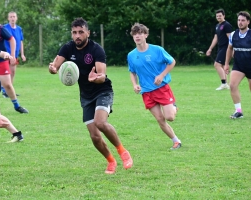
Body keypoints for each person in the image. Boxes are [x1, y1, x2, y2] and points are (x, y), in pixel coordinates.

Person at [49, 17, 133, 174]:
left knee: (100, 123)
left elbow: (102, 75)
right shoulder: (67, 48)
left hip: (102, 90)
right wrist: (52, 69)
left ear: (87, 32)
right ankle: (111, 161)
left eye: (81, 32)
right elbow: (55, 66)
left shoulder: (96, 49)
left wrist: (96, 78)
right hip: (86, 95)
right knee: (94, 136)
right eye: (74, 33)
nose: (77, 36)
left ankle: (123, 152)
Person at [127, 23, 182, 150]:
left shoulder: (157, 50)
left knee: (170, 117)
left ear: (146, 35)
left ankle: (173, 107)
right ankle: (176, 141)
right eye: (135, 34)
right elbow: (132, 72)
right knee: (160, 119)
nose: (137, 36)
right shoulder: (131, 55)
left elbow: (172, 62)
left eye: (140, 33)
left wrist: (162, 75)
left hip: (162, 88)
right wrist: (135, 85)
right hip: (146, 92)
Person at [224, 11, 251, 119]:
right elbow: (229, 49)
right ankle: (238, 111)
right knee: (232, 85)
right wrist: (226, 64)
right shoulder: (234, 34)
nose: (240, 22)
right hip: (239, 66)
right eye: (239, 20)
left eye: (243, 20)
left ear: (248, 22)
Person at [206, 8, 233, 90]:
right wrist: (210, 48)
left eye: (220, 16)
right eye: (217, 16)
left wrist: (232, 49)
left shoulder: (227, 25)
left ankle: (224, 83)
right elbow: (216, 38)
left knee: (217, 65)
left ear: (224, 16)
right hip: (220, 47)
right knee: (222, 66)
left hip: (225, 48)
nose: (218, 17)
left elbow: (230, 38)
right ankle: (226, 84)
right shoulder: (217, 26)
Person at [3, 11, 26, 96]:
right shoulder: (4, 28)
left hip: (15, 55)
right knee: (6, 73)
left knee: (12, 72)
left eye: (14, 17)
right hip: (6, 55)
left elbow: (20, 42)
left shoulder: (19, 29)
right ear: (8, 18)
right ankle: (5, 91)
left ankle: (10, 91)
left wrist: (22, 54)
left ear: (16, 18)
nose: (12, 18)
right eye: (11, 17)